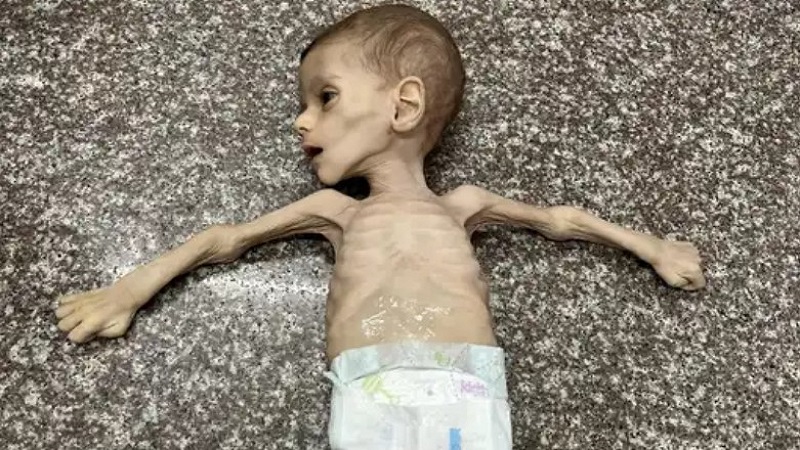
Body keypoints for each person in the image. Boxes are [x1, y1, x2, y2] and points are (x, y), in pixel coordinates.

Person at [54, 4, 706, 448]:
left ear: (405, 104)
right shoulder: (336, 211)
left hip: (467, 386)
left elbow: (560, 221)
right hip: (369, 386)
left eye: (325, 96)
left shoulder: (463, 204)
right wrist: (128, 291)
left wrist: (654, 248)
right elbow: (223, 239)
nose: (301, 121)